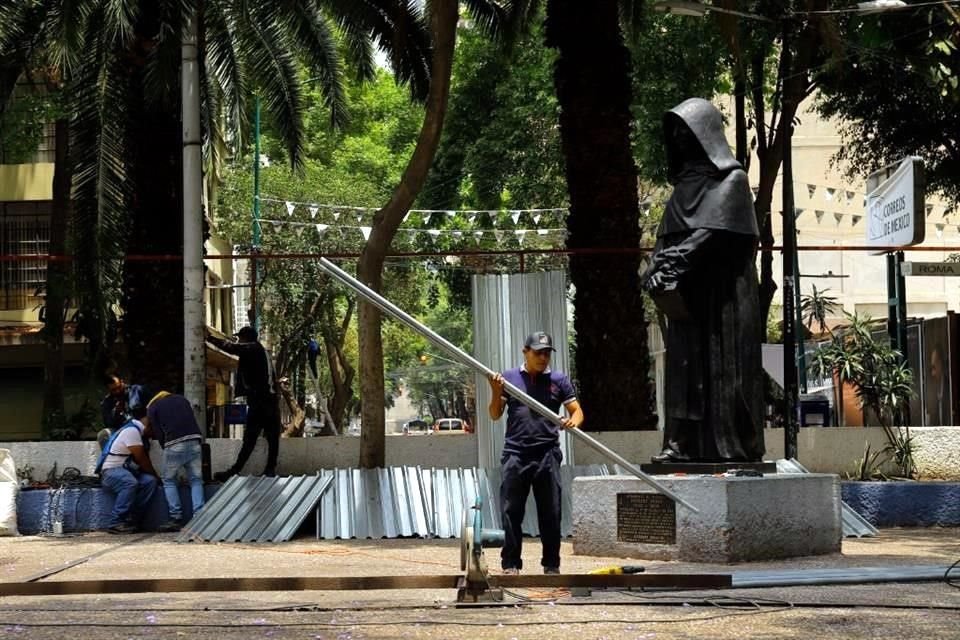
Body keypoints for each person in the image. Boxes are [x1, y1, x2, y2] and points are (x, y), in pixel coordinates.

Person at [642, 97, 765, 464]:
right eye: (674, 130)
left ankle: (730, 446)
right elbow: (667, 238)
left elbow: (715, 233)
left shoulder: (733, 180)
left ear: (705, 133)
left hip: (722, 296)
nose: (679, 136)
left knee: (724, 369)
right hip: (686, 298)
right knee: (683, 369)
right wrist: (654, 268)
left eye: (685, 128)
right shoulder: (682, 189)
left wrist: (676, 260)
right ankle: (681, 444)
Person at [487, 331, 584, 575]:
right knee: (511, 511)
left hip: (547, 454)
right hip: (516, 453)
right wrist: (496, 391)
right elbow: (495, 414)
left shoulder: (559, 380)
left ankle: (551, 565)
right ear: (525, 352)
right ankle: (510, 564)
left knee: (550, 512)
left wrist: (573, 421)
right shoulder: (509, 378)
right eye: (538, 352)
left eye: (546, 353)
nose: (543, 358)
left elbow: (577, 411)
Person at [207, 326, 280, 479]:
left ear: (246, 338)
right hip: (271, 401)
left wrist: (210, 338)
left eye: (240, 338)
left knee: (250, 438)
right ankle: (270, 469)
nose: (239, 341)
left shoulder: (251, 348)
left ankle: (235, 470)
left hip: (260, 401)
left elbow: (231, 348)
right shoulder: (262, 351)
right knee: (272, 437)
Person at [143, 391, 205, 532]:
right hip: (195, 440)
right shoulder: (182, 399)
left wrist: (164, 447)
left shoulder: (153, 407)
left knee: (168, 480)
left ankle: (175, 517)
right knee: (196, 480)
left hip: (174, 443)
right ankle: (199, 517)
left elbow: (158, 431)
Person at [97, 413, 159, 534]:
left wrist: (155, 477)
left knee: (150, 481)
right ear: (148, 426)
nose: (153, 435)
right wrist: (156, 474)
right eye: (153, 430)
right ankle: (116, 522)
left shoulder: (135, 430)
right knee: (129, 483)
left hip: (124, 470)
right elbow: (142, 459)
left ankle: (133, 520)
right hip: (110, 471)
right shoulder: (132, 431)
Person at [925, 345, 949, 426]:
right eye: (931, 368)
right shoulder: (930, 388)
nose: (932, 373)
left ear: (941, 364)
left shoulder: (949, 386)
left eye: (934, 367)